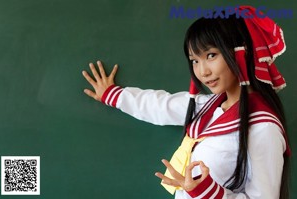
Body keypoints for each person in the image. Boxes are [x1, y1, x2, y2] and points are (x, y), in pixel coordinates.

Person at [82, 6, 291, 199]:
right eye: (195, 60)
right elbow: (160, 105)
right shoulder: (208, 107)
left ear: (240, 53)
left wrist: (208, 192)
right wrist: (112, 94)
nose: (202, 71)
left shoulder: (262, 127)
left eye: (211, 55)